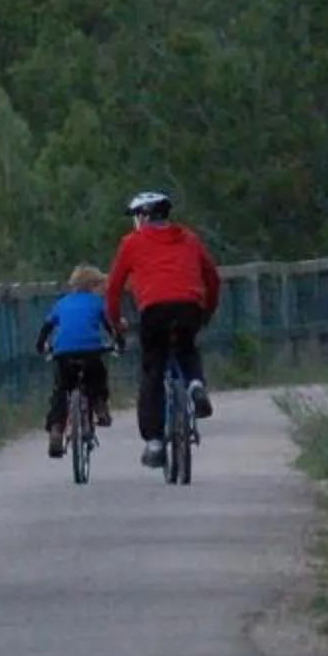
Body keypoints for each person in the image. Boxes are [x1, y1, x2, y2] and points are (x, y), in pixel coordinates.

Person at [101, 190, 220, 470]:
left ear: (143, 216)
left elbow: (114, 288)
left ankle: (154, 442)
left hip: (154, 309)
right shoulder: (189, 238)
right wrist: (207, 311)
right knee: (187, 349)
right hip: (189, 306)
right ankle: (195, 385)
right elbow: (212, 276)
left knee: (153, 371)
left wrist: (116, 324)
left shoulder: (132, 243)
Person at [36, 265, 116, 457]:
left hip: (63, 353)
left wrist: (41, 346)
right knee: (98, 376)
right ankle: (99, 405)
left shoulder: (62, 303)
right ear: (92, 286)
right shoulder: (97, 303)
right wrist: (118, 343)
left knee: (61, 391)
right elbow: (109, 326)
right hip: (90, 351)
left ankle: (56, 429)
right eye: (99, 284)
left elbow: (46, 328)